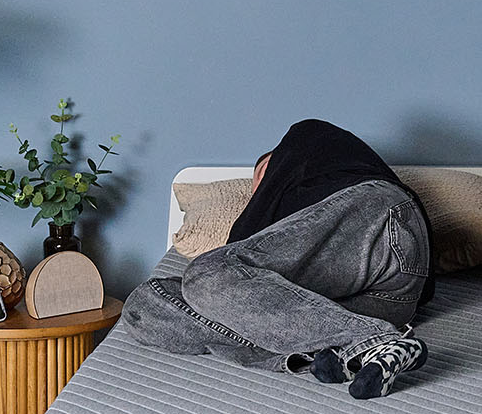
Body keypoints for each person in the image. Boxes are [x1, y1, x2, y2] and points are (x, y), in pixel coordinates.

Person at [121, 119, 432, 399]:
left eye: (257, 181)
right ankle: (349, 350)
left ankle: (370, 339)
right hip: (387, 299)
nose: (256, 193)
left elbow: (228, 267)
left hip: (376, 219)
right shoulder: (297, 245)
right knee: (143, 307)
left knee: (205, 276)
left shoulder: (307, 138)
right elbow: (251, 297)